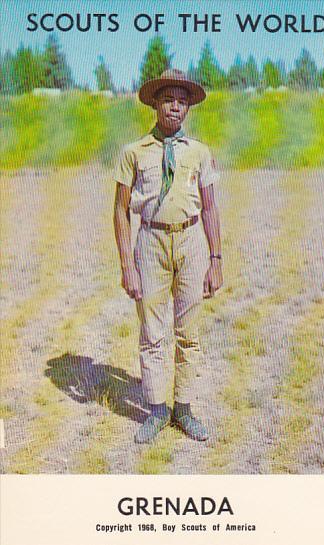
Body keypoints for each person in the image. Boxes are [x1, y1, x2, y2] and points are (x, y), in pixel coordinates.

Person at [113, 69, 223, 444]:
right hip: (151, 244)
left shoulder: (199, 152)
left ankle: (185, 408)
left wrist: (216, 258)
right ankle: (157, 409)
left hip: (191, 242)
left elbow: (210, 207)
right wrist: (128, 265)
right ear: (156, 104)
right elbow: (120, 210)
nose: (174, 106)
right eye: (167, 99)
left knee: (188, 333)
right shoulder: (133, 152)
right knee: (152, 331)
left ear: (188, 107)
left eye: (181, 100)